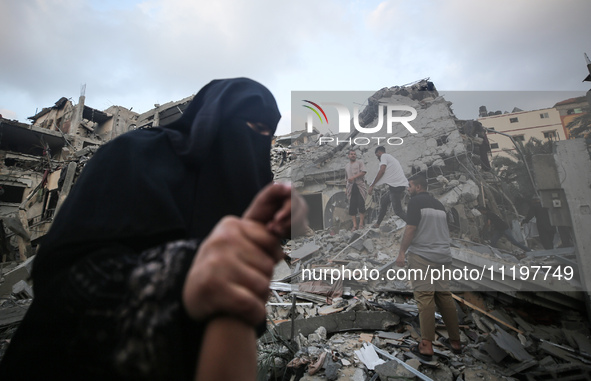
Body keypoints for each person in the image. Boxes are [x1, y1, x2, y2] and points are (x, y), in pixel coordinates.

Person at [0, 78, 308, 381]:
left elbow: (230, 321)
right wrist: (180, 277)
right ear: (211, 120)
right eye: (252, 126)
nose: (255, 143)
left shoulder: (238, 197)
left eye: (267, 134)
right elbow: (61, 276)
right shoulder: (132, 157)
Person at [396, 174, 462, 360]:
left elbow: (410, 229)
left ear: (418, 187)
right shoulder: (439, 205)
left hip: (422, 255)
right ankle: (456, 342)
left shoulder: (415, 202)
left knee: (425, 297)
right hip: (443, 255)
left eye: (409, 186)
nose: (408, 189)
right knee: (444, 296)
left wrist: (401, 252)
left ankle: (426, 345)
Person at [368, 146, 408, 228]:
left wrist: (372, 185)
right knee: (384, 201)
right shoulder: (390, 158)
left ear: (379, 153)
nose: (378, 158)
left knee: (398, 211)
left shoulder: (384, 156)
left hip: (396, 186)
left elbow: (382, 171)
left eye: (377, 156)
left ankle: (413, 223)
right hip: (396, 186)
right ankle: (378, 223)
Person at [345, 150, 368, 230]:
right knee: (352, 206)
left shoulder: (359, 162)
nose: (353, 155)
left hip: (359, 185)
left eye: (354, 154)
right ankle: (355, 225)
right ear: (348, 156)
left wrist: (354, 177)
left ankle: (361, 224)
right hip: (351, 187)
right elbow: (347, 178)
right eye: (351, 154)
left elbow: (363, 172)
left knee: (361, 204)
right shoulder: (347, 166)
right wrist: (346, 188)